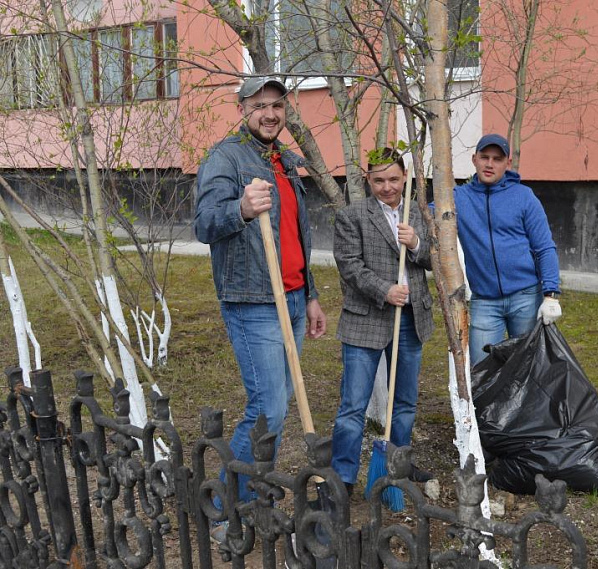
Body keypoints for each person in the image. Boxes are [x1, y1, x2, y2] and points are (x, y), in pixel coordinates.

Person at [194, 76, 327, 514]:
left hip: (291, 295)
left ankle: (249, 490)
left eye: (277, 105)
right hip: (253, 301)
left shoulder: (286, 161)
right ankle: (225, 500)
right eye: (260, 105)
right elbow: (203, 224)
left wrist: (310, 294)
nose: (270, 113)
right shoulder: (225, 158)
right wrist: (242, 209)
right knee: (266, 405)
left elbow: (297, 234)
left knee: (279, 402)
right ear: (242, 110)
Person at [331, 148, 434, 495]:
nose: (387, 187)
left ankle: (398, 464)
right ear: (368, 181)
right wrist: (384, 290)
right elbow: (350, 266)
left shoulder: (419, 213)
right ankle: (343, 477)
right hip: (367, 319)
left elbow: (437, 257)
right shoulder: (353, 216)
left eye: (393, 179)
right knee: (353, 405)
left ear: (405, 177)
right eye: (379, 180)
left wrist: (416, 243)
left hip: (410, 319)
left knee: (404, 401)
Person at [455, 133, 562, 366]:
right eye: (484, 157)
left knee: (529, 368)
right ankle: (483, 405)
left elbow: (544, 247)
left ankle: (528, 405)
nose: (490, 164)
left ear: (508, 164)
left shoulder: (524, 197)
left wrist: (550, 294)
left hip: (525, 297)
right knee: (481, 369)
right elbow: (426, 216)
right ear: (474, 160)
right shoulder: (459, 198)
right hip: (485, 301)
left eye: (497, 159)